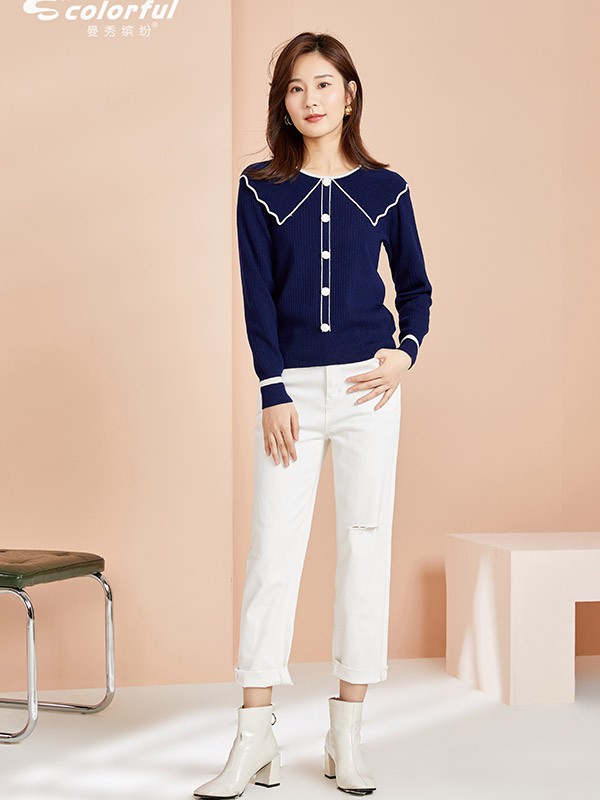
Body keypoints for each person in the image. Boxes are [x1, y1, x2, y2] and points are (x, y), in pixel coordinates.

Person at [194, 30, 433, 799]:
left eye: (323, 84)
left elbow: (416, 288)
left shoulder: (386, 189)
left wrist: (405, 352)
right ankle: (254, 736)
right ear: (283, 102)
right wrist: (272, 389)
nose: (310, 100)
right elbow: (257, 297)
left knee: (364, 548)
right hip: (291, 392)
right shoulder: (260, 187)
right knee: (272, 553)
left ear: (349, 95)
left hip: (368, 392)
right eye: (296, 88)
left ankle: (346, 736)